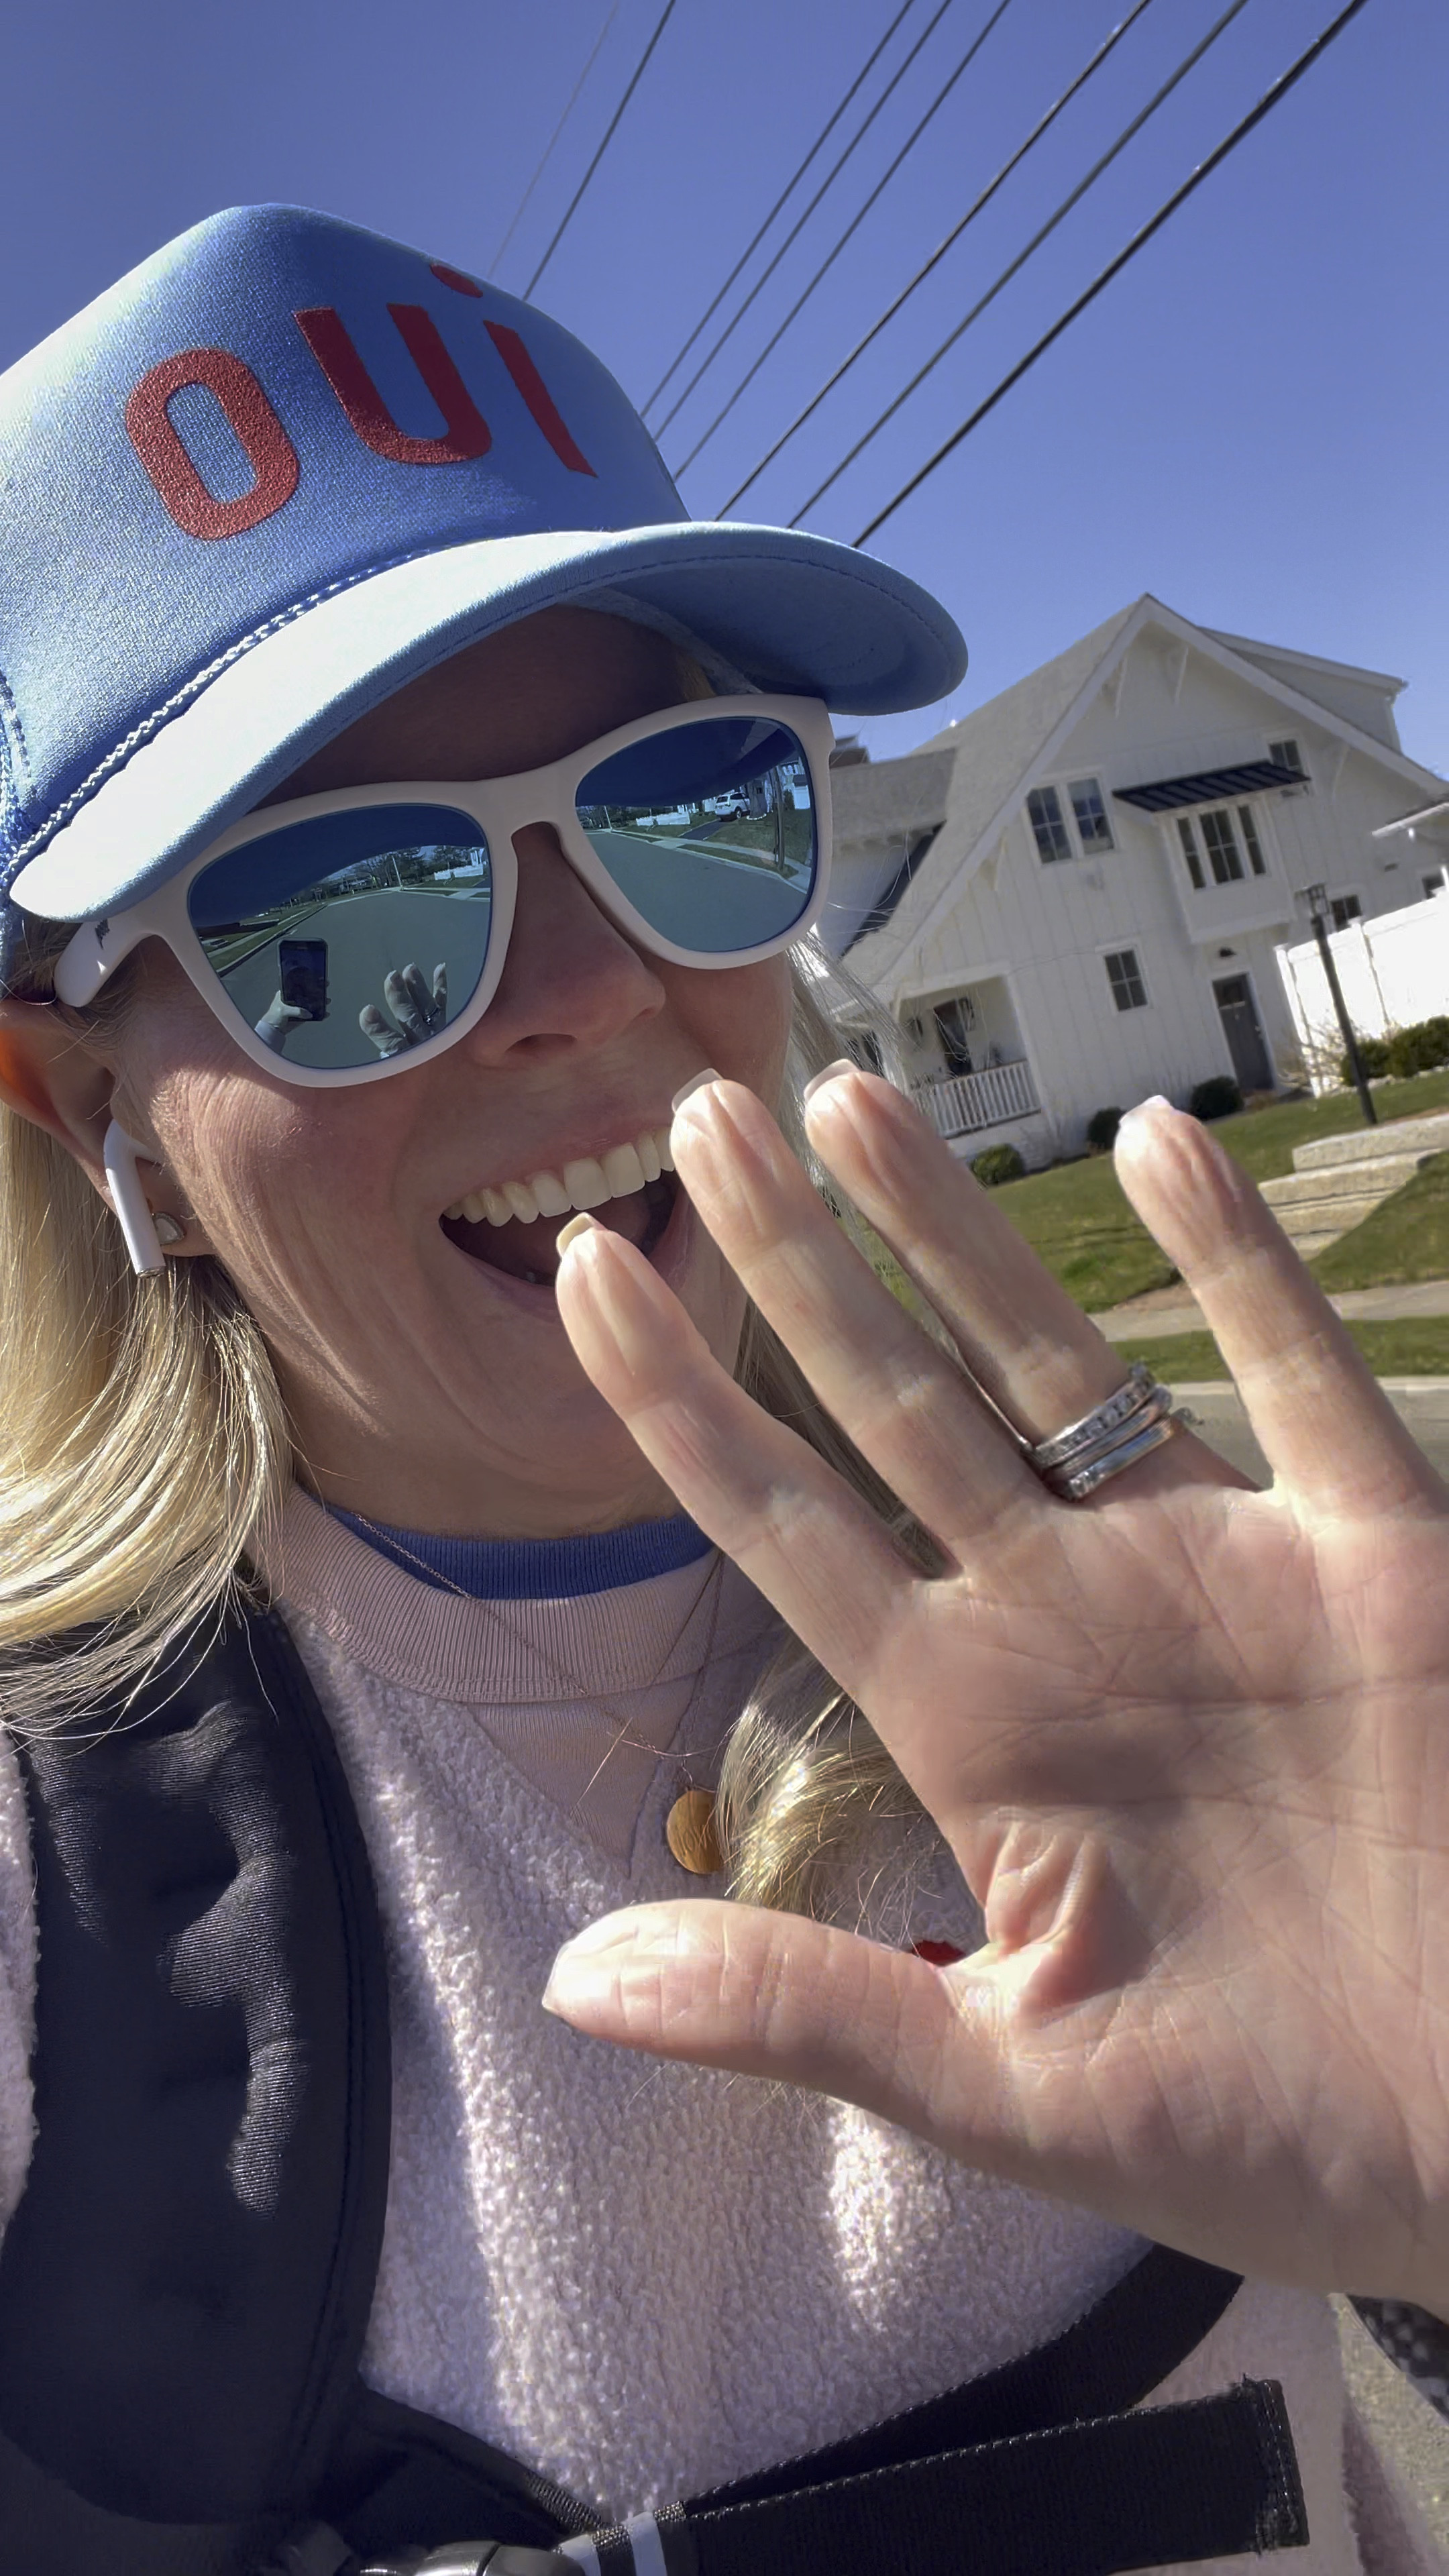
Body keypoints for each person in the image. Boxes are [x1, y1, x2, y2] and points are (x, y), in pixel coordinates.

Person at [0, 203, 1442, 2573]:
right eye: (344, 917)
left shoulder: (1195, 1621)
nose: (582, 983)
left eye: (687, 811)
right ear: (90, 1108)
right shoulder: (65, 1883)